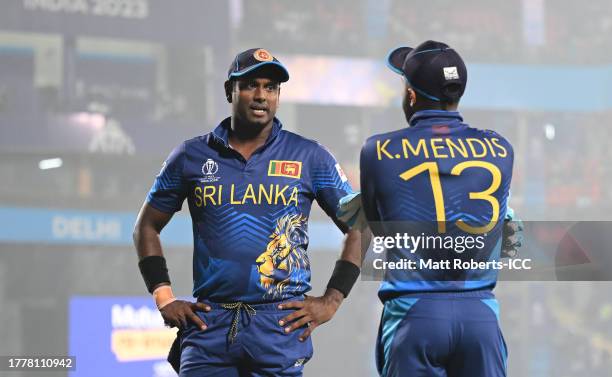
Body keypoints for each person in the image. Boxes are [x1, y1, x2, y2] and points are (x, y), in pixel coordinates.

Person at [133, 48, 362, 377]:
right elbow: (146, 228)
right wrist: (164, 298)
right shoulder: (191, 155)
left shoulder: (310, 156)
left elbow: (361, 227)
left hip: (279, 324)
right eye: (251, 85)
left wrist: (332, 301)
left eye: (271, 87)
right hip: (208, 324)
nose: (261, 95)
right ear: (230, 90)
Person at [358, 40, 515, 377]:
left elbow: (378, 229)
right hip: (480, 317)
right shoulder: (501, 148)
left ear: (411, 95)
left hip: (415, 315)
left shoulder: (377, 150)